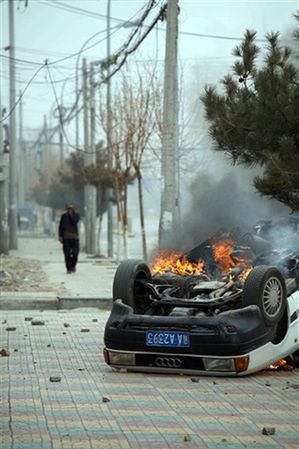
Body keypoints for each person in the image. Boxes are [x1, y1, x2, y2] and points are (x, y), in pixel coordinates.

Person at [59, 203, 80, 274]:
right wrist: (60, 236)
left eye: (71, 209)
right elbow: (61, 227)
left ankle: (73, 266)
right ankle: (69, 268)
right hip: (66, 238)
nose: (70, 210)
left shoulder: (76, 215)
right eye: (68, 209)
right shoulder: (64, 216)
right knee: (67, 254)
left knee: (75, 253)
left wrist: (71, 215)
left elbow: (74, 222)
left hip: (74, 238)